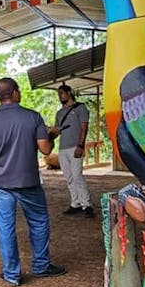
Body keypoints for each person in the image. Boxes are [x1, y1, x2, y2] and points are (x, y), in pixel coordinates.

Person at [0, 77, 66, 287]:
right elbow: (46, 149)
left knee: (5, 227)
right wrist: (52, 135)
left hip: (1, 182)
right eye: (18, 90)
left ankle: (12, 273)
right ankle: (41, 265)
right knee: (38, 221)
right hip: (28, 181)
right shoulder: (33, 117)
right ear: (14, 93)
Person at [48, 84, 94, 218]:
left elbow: (84, 128)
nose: (60, 96)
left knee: (77, 176)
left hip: (75, 147)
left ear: (69, 93)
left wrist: (80, 145)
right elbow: (56, 132)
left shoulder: (80, 108)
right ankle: (75, 203)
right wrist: (48, 133)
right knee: (69, 177)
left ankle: (87, 205)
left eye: (62, 93)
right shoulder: (59, 113)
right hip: (62, 148)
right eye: (58, 94)